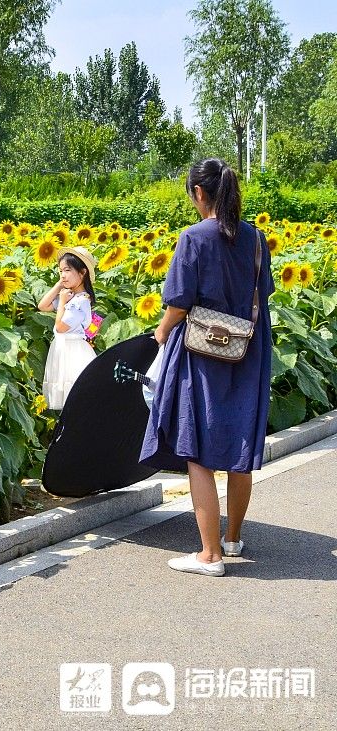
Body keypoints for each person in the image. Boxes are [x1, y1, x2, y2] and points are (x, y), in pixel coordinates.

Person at [140, 158, 273, 577]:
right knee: (238, 448)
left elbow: (179, 301)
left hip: (203, 353)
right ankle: (232, 539)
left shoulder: (193, 238)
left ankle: (209, 555)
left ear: (199, 193)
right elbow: (262, 292)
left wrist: (160, 333)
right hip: (248, 350)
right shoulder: (255, 238)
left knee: (198, 452)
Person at [38, 246, 98, 410]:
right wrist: (59, 286)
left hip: (72, 353)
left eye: (67, 270)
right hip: (63, 350)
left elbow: (60, 327)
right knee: (67, 400)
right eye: (60, 271)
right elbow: (43, 306)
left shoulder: (80, 301)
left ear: (82, 272)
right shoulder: (71, 296)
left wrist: (63, 302)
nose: (63, 275)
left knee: (74, 399)